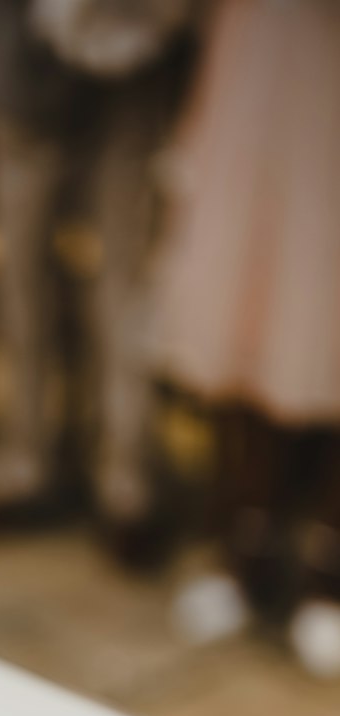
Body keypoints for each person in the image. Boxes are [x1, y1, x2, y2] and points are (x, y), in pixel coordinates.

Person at [151, 0, 340, 672]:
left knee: (323, 314)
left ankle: (327, 568)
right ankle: (242, 543)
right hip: (253, 77)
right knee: (242, 308)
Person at [0, 0, 195, 562]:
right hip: (23, 70)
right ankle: (24, 460)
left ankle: (127, 476)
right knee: (19, 280)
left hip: (137, 64)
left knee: (125, 277)